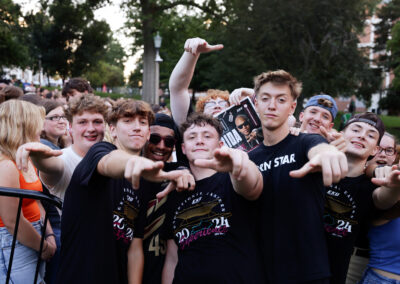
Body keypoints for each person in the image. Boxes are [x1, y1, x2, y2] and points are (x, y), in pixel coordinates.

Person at [57, 99, 188, 284]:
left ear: (148, 132)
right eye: (127, 121)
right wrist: (132, 162)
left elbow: (135, 246)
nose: (136, 127)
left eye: (142, 123)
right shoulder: (99, 152)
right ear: (112, 129)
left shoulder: (141, 180)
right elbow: (108, 162)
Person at [248, 70, 348, 284]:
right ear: (256, 104)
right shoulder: (250, 159)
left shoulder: (305, 142)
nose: (272, 105)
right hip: (261, 272)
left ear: (292, 107)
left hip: (308, 273)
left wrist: (327, 154)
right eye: (265, 99)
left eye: (281, 99)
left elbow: (319, 149)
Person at [162, 113, 264, 284]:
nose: (199, 141)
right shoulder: (176, 190)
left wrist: (241, 166)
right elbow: (172, 258)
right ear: (184, 148)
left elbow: (252, 185)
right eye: (192, 137)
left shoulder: (234, 178)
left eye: (207, 136)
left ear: (221, 145)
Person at [323, 113, 400, 284]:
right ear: (341, 135)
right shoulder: (315, 169)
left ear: (375, 150)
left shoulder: (370, 186)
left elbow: (383, 199)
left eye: (371, 135)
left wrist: (395, 186)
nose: (362, 135)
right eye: (356, 129)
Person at [0, 100, 56, 283]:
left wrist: (48, 234)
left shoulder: (24, 158)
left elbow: (35, 201)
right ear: (23, 127)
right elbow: (12, 221)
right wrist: (43, 246)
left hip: (32, 234)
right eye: (37, 127)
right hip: (14, 240)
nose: (42, 132)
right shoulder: (6, 165)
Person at [16, 94, 108, 205]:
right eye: (82, 122)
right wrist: (38, 156)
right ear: (71, 126)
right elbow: (51, 166)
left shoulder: (112, 153)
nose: (91, 128)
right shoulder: (63, 158)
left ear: (105, 125)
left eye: (97, 122)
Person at [169, 38, 227, 126]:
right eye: (210, 104)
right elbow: (178, 89)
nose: (217, 106)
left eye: (223, 103)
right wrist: (191, 53)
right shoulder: (192, 128)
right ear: (201, 112)